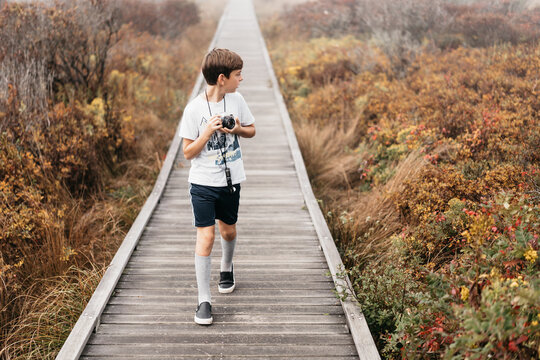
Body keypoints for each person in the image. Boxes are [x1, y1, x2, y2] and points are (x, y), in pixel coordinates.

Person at [179, 48, 256, 325]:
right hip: (202, 183)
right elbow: (187, 153)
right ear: (222, 78)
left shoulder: (236, 100)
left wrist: (235, 129)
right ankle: (204, 300)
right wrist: (207, 132)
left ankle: (226, 267)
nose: (242, 79)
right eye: (238, 75)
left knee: (228, 230)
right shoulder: (194, 109)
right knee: (206, 237)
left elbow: (252, 129)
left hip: (231, 180)